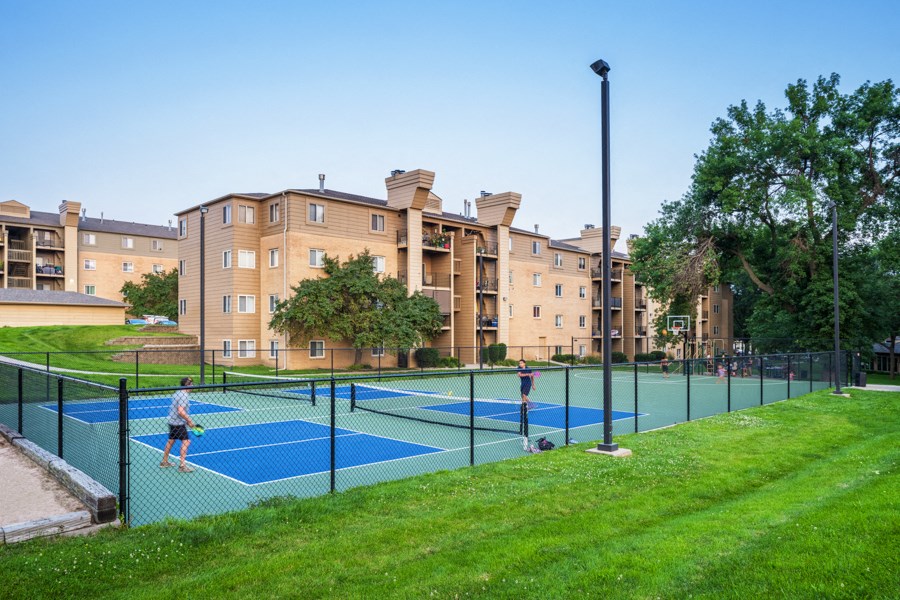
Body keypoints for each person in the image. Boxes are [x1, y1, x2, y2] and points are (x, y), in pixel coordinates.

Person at [160, 376, 197, 473]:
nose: (192, 386)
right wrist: (189, 421)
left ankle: (164, 461)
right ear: (187, 385)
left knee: (171, 441)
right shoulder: (184, 396)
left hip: (172, 421)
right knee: (186, 441)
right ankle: (182, 466)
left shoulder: (177, 393)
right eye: (191, 384)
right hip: (178, 423)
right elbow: (180, 411)